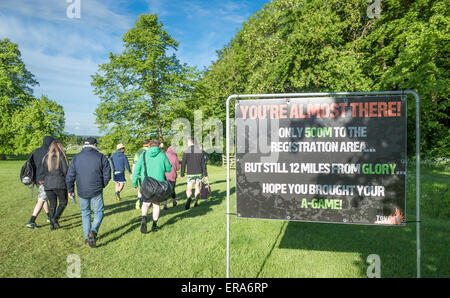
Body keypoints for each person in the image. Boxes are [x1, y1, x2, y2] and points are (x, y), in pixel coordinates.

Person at [66, 137, 111, 248]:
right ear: (95, 145)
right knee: (98, 212)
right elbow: (107, 174)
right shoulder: (101, 157)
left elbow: (70, 176)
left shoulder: (76, 158)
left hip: (82, 190)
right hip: (96, 189)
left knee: (85, 213)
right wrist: (102, 185)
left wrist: (70, 190)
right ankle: (93, 231)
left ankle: (87, 237)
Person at [132, 139, 172, 234]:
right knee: (156, 205)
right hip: (159, 185)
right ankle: (154, 225)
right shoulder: (162, 154)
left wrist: (134, 183)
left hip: (146, 184)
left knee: (145, 204)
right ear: (158, 146)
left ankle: (144, 220)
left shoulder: (144, 155)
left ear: (150, 145)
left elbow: (136, 170)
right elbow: (169, 169)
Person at [26, 136, 54, 229]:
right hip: (46, 179)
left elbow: (30, 164)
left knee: (44, 198)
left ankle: (50, 217)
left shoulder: (35, 151)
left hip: (37, 179)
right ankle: (31, 221)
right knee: (41, 199)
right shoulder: (50, 152)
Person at [42, 140, 69, 230]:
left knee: (52, 204)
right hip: (60, 183)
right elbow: (66, 172)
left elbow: (45, 172)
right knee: (63, 202)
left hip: (48, 184)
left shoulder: (46, 157)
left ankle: (52, 225)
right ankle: (54, 219)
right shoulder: (62, 157)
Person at [180, 138, 208, 209]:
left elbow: (183, 164)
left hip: (190, 173)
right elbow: (203, 164)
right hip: (199, 172)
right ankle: (196, 202)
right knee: (197, 187)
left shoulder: (186, 152)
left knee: (189, 188)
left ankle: (189, 198)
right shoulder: (200, 152)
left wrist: (182, 174)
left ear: (190, 142)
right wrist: (205, 174)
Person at [132, 139, 150, 209]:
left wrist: (134, 174)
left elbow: (134, 164)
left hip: (139, 174)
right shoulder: (149, 152)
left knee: (141, 187)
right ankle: (146, 202)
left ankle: (139, 200)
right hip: (147, 173)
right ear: (148, 144)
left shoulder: (138, 152)